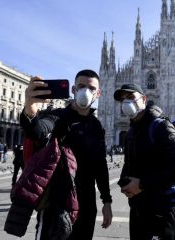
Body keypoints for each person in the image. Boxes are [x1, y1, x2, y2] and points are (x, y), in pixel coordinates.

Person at [20, 70, 112, 239]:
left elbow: (100, 165)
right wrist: (30, 110)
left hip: (86, 204)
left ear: (98, 94)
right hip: (57, 203)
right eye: (82, 86)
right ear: (74, 90)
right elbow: (37, 130)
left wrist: (107, 200)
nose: (86, 91)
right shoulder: (57, 117)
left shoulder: (97, 126)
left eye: (92, 88)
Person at [113, 83, 175, 240]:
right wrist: (124, 182)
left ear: (144, 99)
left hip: (161, 210)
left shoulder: (161, 126)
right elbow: (129, 164)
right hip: (138, 208)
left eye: (131, 97)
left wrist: (141, 184)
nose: (126, 102)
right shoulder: (132, 131)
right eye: (123, 100)